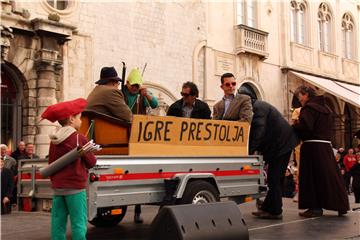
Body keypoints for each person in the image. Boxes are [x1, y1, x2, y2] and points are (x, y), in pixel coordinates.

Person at [238, 86, 299, 219]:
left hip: (282, 145)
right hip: (279, 145)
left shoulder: (258, 108)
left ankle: (276, 211)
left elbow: (259, 131)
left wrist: (248, 151)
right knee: (274, 178)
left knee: (274, 178)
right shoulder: (256, 107)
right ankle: (268, 207)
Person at [41, 98, 97, 240]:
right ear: (71, 119)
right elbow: (91, 162)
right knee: (78, 224)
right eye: (79, 117)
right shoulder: (79, 138)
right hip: (75, 188)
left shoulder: (54, 140)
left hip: (58, 189)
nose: (81, 120)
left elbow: (51, 162)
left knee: (58, 224)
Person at [292, 85, 349, 217]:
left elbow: (306, 127)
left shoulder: (309, 108)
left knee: (312, 178)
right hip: (325, 147)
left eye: (300, 97)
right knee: (330, 176)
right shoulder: (326, 109)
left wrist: (296, 125)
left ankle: (315, 208)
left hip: (312, 147)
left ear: (306, 94)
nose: (300, 100)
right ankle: (341, 205)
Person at [123, 68, 158, 223]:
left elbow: (155, 104)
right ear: (127, 83)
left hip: (138, 136)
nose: (135, 88)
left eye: (138, 86)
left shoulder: (141, 94)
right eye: (133, 85)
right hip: (123, 133)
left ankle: (138, 209)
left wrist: (147, 94)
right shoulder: (121, 93)